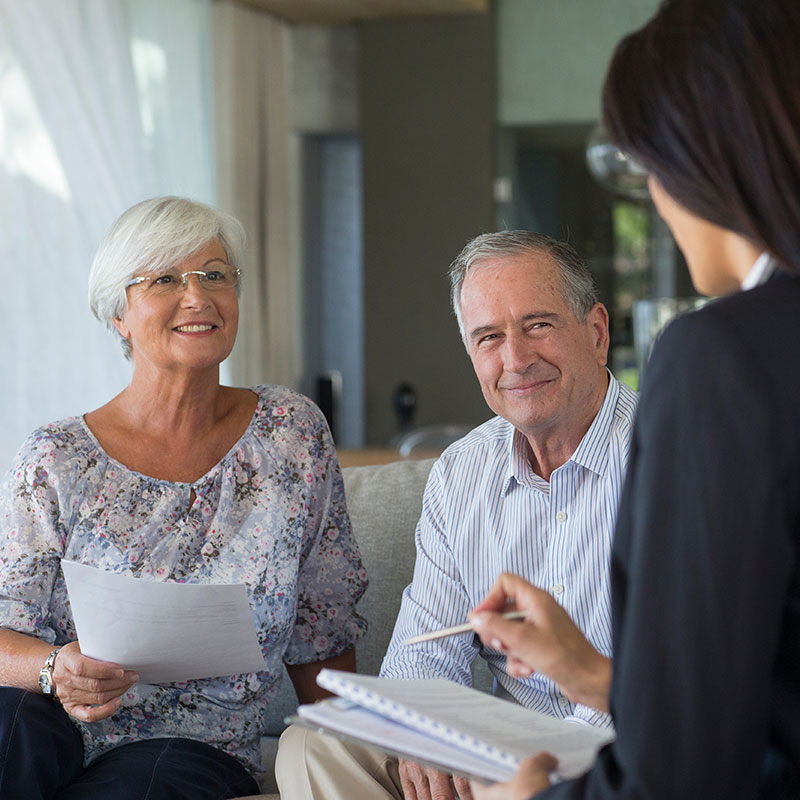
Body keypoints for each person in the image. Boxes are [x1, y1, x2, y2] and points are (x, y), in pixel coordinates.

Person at [465, 0, 800, 797]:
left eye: (651, 164)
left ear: (701, 155)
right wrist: (599, 676)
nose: (653, 196)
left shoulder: (724, 358)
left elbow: (681, 772)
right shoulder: (460, 475)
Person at [0, 196, 368, 799]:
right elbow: (5, 628)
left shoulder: (291, 434)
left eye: (215, 275)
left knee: (144, 787)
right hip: (53, 721)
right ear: (119, 314)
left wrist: (354, 757)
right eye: (166, 278)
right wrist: (52, 668)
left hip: (192, 746)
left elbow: (320, 622)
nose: (198, 297)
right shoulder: (54, 458)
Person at [276, 231, 638, 800]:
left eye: (538, 324)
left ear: (595, 332)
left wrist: (535, 772)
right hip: (499, 747)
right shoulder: (462, 472)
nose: (515, 359)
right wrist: (427, 739)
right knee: (311, 745)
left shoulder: (672, 454)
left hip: (630, 734)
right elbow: (423, 653)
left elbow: (685, 676)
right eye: (489, 337)